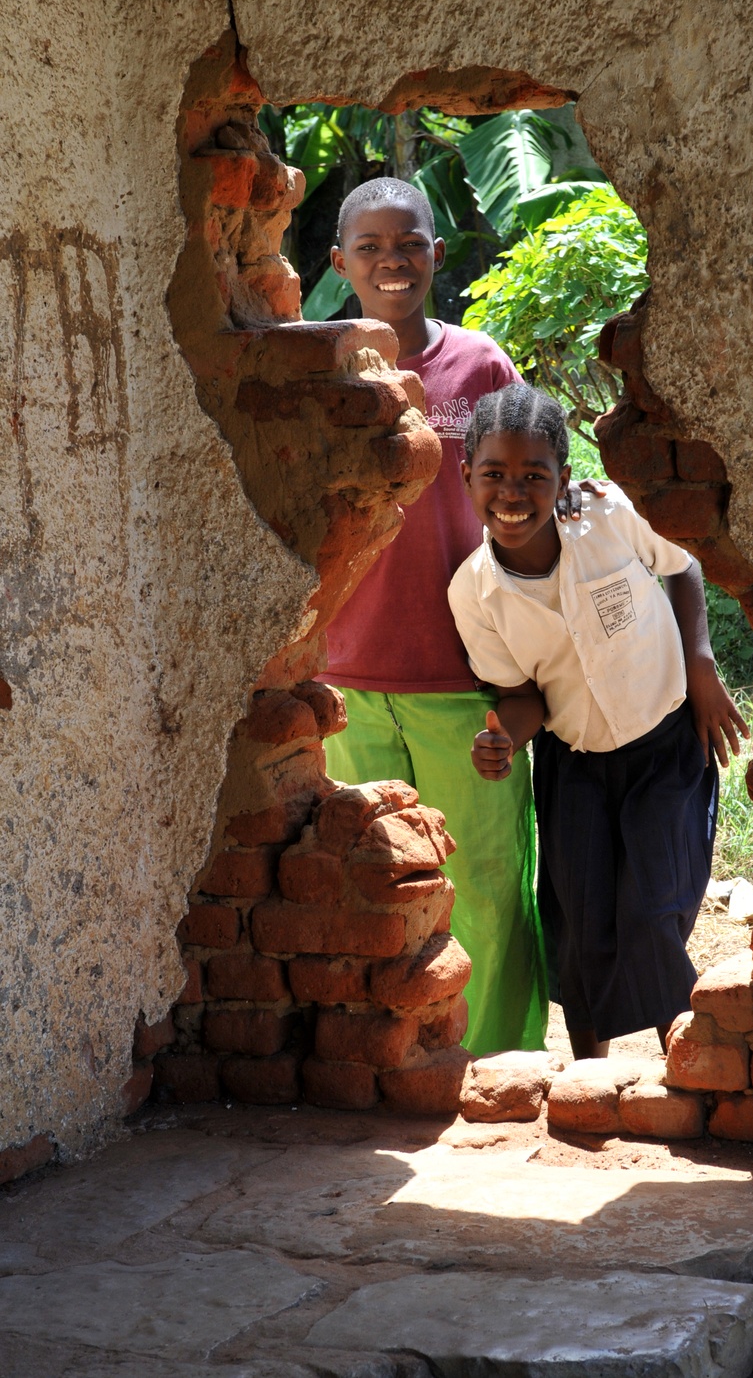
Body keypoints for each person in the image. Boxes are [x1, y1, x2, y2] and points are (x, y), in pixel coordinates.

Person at [317, 176, 551, 1056]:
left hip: (468, 679)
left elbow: (535, 486)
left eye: (409, 244)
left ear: (436, 254)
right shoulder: (324, 367)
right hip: (348, 678)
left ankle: (495, 1065)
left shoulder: (481, 366)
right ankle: (393, 1066)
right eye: (370, 248)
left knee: (484, 883)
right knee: (374, 884)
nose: (391, 262)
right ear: (339, 262)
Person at [447, 385, 749, 1060]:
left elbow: (683, 563)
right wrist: (504, 738)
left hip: (667, 745)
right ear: (467, 476)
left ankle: (685, 1058)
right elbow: (522, 696)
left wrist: (700, 665)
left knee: (652, 907)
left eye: (534, 474)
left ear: (563, 474)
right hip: (574, 763)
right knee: (580, 925)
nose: (512, 492)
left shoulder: (609, 516)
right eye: (494, 474)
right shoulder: (474, 593)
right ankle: (591, 1077)